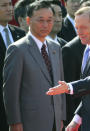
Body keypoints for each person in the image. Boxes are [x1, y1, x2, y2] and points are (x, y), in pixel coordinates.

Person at [3, 1, 66, 131]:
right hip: (29, 121)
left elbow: (60, 85)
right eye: (40, 20)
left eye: (49, 20)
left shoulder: (56, 47)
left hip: (55, 121)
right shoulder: (17, 49)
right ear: (28, 20)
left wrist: (61, 116)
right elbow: (11, 91)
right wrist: (15, 122)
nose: (45, 25)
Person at [0, 0, 25, 130]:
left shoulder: (20, 33)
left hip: (20, 103)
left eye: (10, 4)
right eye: (4, 5)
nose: (9, 8)